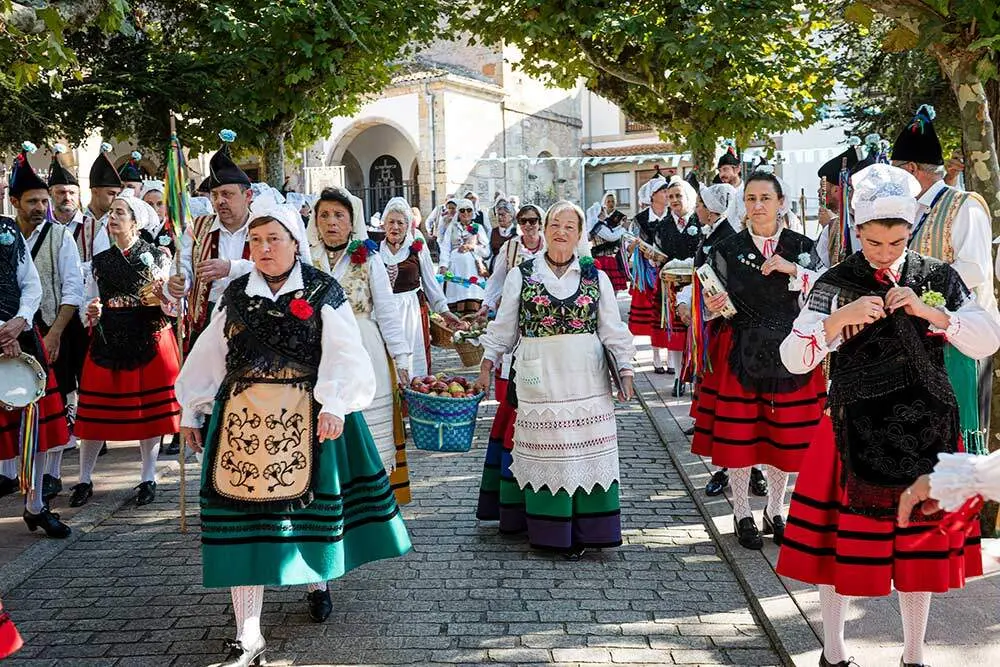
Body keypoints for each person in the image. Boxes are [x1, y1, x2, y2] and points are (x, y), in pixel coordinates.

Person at [777, 163, 1000, 667]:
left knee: (915, 551)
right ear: (857, 232)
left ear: (910, 232)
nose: (884, 253)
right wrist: (837, 320)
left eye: (896, 242)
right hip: (850, 429)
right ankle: (833, 652)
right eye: (874, 243)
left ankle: (915, 654)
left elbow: (988, 338)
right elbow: (794, 358)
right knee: (838, 548)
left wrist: (931, 313)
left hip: (926, 428)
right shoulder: (835, 282)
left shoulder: (937, 277)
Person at [175, 199, 411, 664]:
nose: (263, 248)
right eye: (256, 240)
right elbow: (209, 354)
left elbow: (346, 352)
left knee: (308, 512)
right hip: (242, 423)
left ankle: (318, 581)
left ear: (294, 243)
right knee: (244, 528)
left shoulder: (323, 290)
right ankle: (248, 635)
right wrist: (191, 410)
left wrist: (337, 404)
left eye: (273, 239)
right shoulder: (237, 294)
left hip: (306, 418)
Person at [476, 200, 636, 560]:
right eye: (554, 225)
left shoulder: (596, 276)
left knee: (582, 451)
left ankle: (588, 530)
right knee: (551, 453)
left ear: (580, 234)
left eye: (569, 226)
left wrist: (625, 368)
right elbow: (504, 328)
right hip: (539, 377)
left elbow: (612, 328)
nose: (561, 232)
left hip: (586, 381)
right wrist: (487, 362)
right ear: (545, 230)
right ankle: (548, 530)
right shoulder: (523, 274)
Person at [692, 168, 826, 551]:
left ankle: (776, 510)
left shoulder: (804, 246)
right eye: (750, 199)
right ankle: (741, 513)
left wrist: (797, 271)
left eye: (766, 198)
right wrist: (711, 305)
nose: (758, 206)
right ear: (743, 204)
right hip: (740, 350)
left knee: (781, 436)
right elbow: (712, 303)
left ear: (781, 203)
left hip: (792, 352)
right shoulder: (726, 249)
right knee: (742, 435)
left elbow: (827, 296)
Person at [891, 103, 998, 454]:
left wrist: (917, 285)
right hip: (920, 343)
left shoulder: (963, 205)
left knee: (959, 436)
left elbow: (975, 269)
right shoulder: (910, 212)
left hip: (961, 340)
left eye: (896, 172)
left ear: (911, 169)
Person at [69, 191, 180, 508]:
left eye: (120, 212)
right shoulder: (99, 263)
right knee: (93, 413)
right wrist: (90, 311)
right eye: (112, 212)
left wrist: (164, 298)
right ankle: (83, 479)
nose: (112, 217)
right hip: (108, 338)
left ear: (135, 221)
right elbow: (88, 304)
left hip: (148, 337)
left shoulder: (159, 257)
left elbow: (173, 309)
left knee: (149, 415)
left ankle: (148, 478)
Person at [309, 190, 413, 506]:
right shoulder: (307, 259)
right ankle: (330, 492)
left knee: (366, 420)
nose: (331, 222)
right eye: (324, 215)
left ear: (351, 221)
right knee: (326, 419)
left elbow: (386, 311)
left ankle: (374, 496)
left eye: (338, 215)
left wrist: (402, 357)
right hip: (320, 351)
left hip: (364, 346)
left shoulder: (369, 259)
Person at [674, 183, 766, 498]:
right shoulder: (716, 236)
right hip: (722, 330)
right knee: (731, 408)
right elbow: (704, 277)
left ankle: (752, 469)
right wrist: (687, 301)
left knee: (746, 407)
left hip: (748, 335)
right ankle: (731, 469)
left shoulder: (729, 237)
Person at [0, 144, 72, 538]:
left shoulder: (8, 230)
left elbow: (30, 283)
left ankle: (35, 505)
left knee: (37, 425)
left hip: (23, 337)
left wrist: (19, 322)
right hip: (4, 333)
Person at [11, 144, 85, 504]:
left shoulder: (60, 236)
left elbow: (73, 287)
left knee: (51, 405)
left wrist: (55, 332)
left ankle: (50, 477)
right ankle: (13, 476)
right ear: (15, 202)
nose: (41, 208)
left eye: (44, 201)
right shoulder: (6, 237)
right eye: (33, 202)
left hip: (50, 329)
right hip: (11, 333)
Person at [476, 204, 546, 526]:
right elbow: (495, 282)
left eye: (534, 222)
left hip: (546, 333)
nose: (529, 227)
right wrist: (486, 305)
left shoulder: (554, 246)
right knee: (513, 396)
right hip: (515, 325)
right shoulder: (511, 248)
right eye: (524, 222)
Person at [168, 130, 258, 349]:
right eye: (215, 195)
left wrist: (231, 268)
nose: (220, 201)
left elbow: (279, 268)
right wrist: (179, 282)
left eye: (227, 194)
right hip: (207, 319)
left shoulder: (265, 227)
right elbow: (183, 265)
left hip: (255, 319)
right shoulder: (198, 227)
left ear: (248, 196)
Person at [379, 200, 460, 378]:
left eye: (400, 223)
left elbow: (430, 282)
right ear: (384, 225)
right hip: (383, 311)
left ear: (408, 226)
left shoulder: (416, 248)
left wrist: (444, 311)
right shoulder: (376, 250)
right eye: (391, 222)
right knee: (385, 361)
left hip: (412, 312)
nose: (395, 227)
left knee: (413, 359)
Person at [651, 177, 702, 395]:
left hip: (696, 284)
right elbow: (658, 255)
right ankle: (678, 378)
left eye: (678, 196)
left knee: (697, 331)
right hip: (670, 287)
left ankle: (697, 375)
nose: (673, 200)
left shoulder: (699, 222)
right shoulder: (662, 226)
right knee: (676, 334)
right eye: (670, 196)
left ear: (688, 197)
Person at [628, 176, 671, 373]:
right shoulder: (640, 220)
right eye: (663, 191)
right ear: (653, 195)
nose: (667, 194)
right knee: (653, 317)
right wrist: (636, 247)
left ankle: (671, 357)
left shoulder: (672, 217)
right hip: (647, 275)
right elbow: (628, 245)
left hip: (668, 272)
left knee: (669, 314)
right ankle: (655, 357)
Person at [438, 198, 490, 314]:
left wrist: (472, 247)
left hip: (473, 268)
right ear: (458, 213)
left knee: (472, 298)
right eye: (462, 210)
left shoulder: (478, 228)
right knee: (456, 297)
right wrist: (443, 265)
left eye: (469, 210)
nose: (466, 213)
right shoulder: (452, 227)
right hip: (456, 268)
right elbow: (445, 247)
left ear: (473, 212)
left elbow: (486, 251)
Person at [77, 143, 122, 265]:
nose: (116, 199)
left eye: (118, 194)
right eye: (111, 193)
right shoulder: (77, 222)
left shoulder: (121, 223)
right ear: (95, 191)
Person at [588, 191, 628, 292]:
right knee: (608, 290)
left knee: (608, 289)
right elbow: (611, 237)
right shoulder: (599, 226)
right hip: (604, 260)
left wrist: (621, 227)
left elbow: (612, 231)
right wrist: (623, 228)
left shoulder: (599, 225)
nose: (603, 212)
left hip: (604, 258)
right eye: (602, 211)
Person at [47, 144, 83, 227]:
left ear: (79, 194)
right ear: (50, 193)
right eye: (61, 192)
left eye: (72, 193)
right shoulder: (41, 226)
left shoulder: (94, 229)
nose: (67, 198)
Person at [487, 198, 517, 273]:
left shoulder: (517, 232)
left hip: (512, 267)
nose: (500, 217)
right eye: (498, 214)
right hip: (495, 267)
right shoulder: (492, 232)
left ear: (511, 216)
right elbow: (488, 252)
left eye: (503, 215)